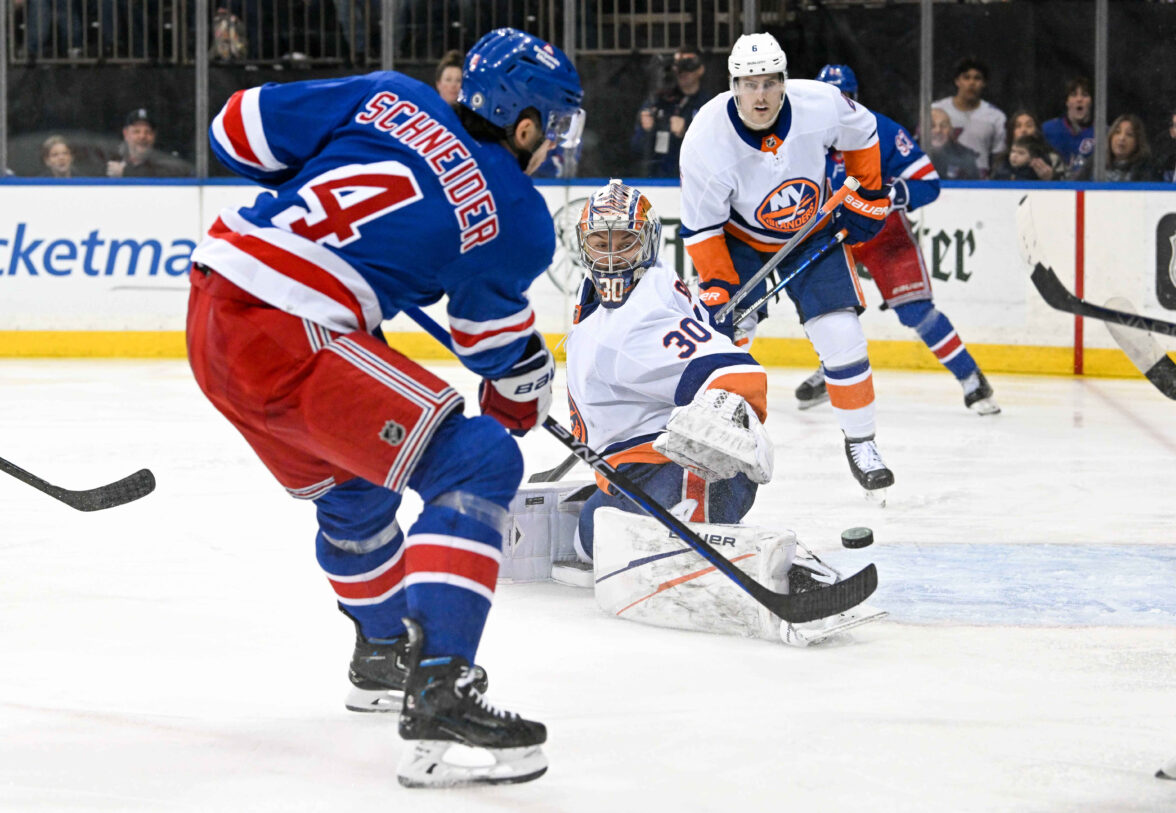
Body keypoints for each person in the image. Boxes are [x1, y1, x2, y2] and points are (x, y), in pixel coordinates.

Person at [185, 27, 584, 788]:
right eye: (555, 126)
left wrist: (329, 166)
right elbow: (489, 346)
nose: (555, 144)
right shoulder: (522, 214)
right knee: (479, 458)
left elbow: (233, 128)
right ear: (525, 124)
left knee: (354, 487)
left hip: (215, 307)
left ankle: (381, 654)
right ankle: (440, 692)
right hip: (289, 324)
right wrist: (522, 383)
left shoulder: (390, 94)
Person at [558, 178, 881, 647]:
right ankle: (709, 529)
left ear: (646, 242)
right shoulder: (628, 296)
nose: (610, 256)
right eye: (599, 242)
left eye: (623, 241)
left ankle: (784, 573)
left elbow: (737, 376)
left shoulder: (636, 319)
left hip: (675, 474)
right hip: (637, 473)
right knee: (587, 536)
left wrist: (718, 414)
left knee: (605, 534)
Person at [679, 33, 896, 500]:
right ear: (733, 85)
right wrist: (717, 285)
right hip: (736, 237)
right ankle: (716, 434)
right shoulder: (705, 139)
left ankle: (862, 444)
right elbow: (701, 228)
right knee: (729, 335)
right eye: (750, 84)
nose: (760, 95)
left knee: (842, 334)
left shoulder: (819, 103)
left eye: (770, 82)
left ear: (785, 81)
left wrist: (870, 193)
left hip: (811, 227)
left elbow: (864, 131)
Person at [797, 65, 998, 416]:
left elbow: (928, 183)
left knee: (915, 310)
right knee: (826, 310)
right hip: (833, 235)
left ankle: (971, 379)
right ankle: (837, 370)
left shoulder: (882, 130)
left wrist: (884, 199)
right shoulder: (801, 136)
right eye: (826, 98)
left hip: (883, 231)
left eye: (842, 96)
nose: (835, 105)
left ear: (854, 98)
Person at [630, 45, 715, 177]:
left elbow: (716, 151)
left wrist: (686, 132)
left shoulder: (709, 106)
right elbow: (636, 149)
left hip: (693, 179)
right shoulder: (657, 102)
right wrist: (645, 130)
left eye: (688, 64)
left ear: (700, 69)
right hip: (658, 180)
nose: (682, 71)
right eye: (677, 65)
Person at [931, 57, 1005, 178]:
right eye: (966, 77)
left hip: (981, 181)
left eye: (977, 78)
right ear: (957, 81)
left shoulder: (996, 117)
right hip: (941, 176)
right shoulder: (936, 110)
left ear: (984, 83)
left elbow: (999, 157)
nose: (971, 83)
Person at [106, 109, 190, 178]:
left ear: (154, 136)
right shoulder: (112, 159)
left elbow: (177, 173)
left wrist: (126, 173)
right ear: (126, 134)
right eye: (136, 132)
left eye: (148, 132)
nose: (142, 136)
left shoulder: (165, 158)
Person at [1041, 76, 1094, 180]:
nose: (1079, 99)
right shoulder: (1048, 129)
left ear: (1091, 102)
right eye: (1074, 95)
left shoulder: (1103, 133)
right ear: (1067, 101)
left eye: (1085, 95)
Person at [993, 108, 1063, 181]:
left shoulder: (1053, 158)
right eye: (1018, 126)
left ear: (1037, 132)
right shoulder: (1000, 161)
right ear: (1012, 133)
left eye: (1029, 125)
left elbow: (1067, 187)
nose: (1023, 130)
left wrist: (1051, 178)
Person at [925, 107, 980, 180]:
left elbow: (975, 188)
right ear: (922, 129)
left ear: (950, 130)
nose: (938, 130)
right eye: (932, 125)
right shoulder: (910, 153)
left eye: (943, 126)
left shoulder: (965, 156)